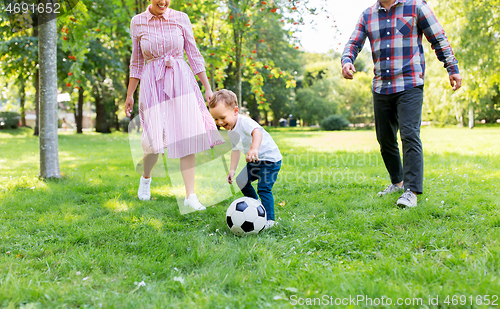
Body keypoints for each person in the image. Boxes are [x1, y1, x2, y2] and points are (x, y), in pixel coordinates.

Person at [341, 0, 462, 208]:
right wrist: (347, 59)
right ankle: (397, 182)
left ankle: (411, 191)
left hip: (410, 82)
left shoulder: (415, 7)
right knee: (385, 139)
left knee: (409, 134)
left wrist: (452, 68)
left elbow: (438, 38)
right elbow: (354, 42)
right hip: (381, 86)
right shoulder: (367, 15)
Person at [124, 0, 224, 210]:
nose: (163, 1)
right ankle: (146, 178)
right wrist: (130, 94)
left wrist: (207, 87)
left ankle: (190, 196)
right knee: (153, 138)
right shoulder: (138, 22)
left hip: (181, 79)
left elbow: (193, 54)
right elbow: (137, 61)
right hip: (152, 81)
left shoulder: (181, 18)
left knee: (186, 135)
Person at [209, 90, 282, 229]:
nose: (220, 122)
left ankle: (269, 220)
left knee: (264, 188)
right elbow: (235, 150)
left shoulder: (245, 122)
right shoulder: (231, 131)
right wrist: (232, 170)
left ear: (236, 111)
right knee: (241, 181)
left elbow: (257, 132)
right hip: (256, 161)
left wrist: (254, 148)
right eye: (216, 119)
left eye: (222, 117)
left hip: (270, 159)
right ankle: (255, 207)